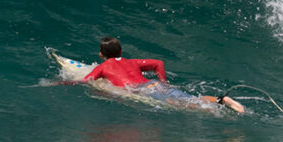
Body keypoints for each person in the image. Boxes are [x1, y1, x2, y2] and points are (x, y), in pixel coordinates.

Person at [84, 37, 244, 114]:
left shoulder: (103, 67)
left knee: (180, 104)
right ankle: (221, 100)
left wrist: (64, 82)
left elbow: (87, 80)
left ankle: (215, 108)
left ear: (100, 54)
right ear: (121, 52)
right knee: (189, 97)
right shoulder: (132, 61)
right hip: (155, 84)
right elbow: (157, 63)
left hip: (142, 91)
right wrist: (164, 82)